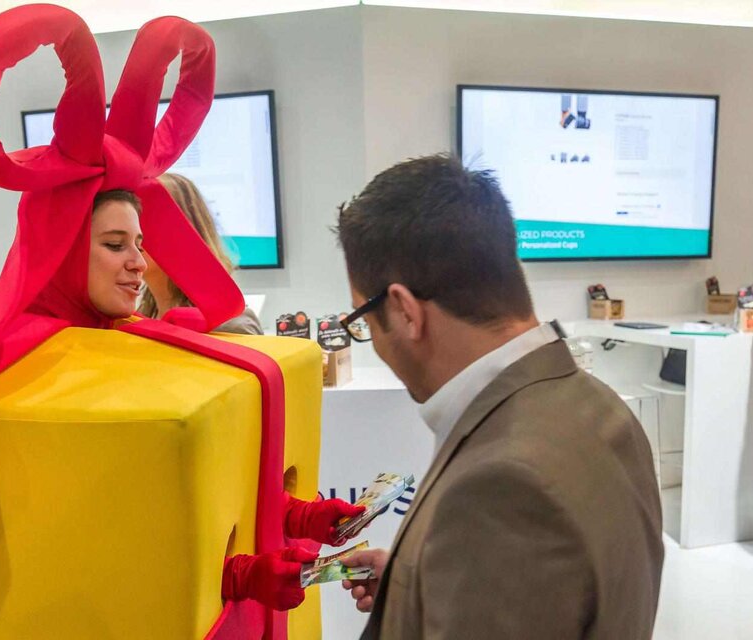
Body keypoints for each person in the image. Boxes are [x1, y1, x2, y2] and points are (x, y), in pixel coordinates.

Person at [335, 154, 663, 639]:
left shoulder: (502, 483)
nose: (373, 339)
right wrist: (421, 582)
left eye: (361, 318)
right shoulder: (599, 406)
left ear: (405, 311)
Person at [90, 189, 362, 610]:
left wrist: (290, 517)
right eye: (116, 244)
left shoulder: (220, 324)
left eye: (141, 241)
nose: (138, 259)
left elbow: (237, 458)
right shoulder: (126, 326)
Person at [138, 173, 262, 335]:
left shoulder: (228, 326)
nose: (132, 235)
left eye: (143, 220)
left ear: (182, 233)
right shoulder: (137, 317)